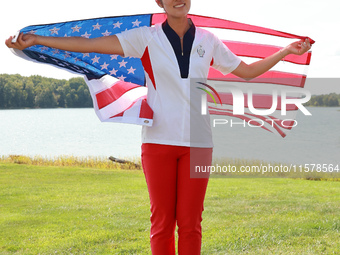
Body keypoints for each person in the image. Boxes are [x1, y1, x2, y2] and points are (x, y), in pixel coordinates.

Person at [5, 0, 311, 254]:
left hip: (199, 144)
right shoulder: (145, 37)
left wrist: (286, 51)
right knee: (162, 223)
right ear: (160, 3)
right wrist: (38, 40)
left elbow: (247, 71)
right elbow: (89, 45)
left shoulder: (208, 40)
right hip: (157, 142)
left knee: (191, 224)